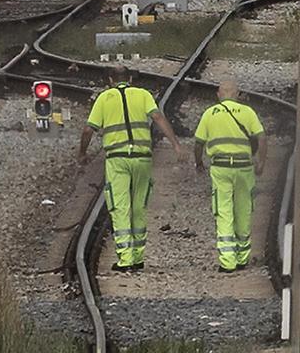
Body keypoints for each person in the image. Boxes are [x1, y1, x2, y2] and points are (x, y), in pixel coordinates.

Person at [77, 65, 185, 273]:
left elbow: (88, 129)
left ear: (110, 80)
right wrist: (176, 144)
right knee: (138, 205)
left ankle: (125, 259)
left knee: (120, 207)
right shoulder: (143, 95)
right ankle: (138, 256)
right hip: (142, 157)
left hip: (117, 159)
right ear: (131, 80)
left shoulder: (104, 98)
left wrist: (82, 152)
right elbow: (158, 117)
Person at [194, 80, 267, 273]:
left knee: (224, 211)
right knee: (244, 209)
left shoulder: (210, 114)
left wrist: (199, 162)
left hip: (221, 168)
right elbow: (261, 137)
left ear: (218, 94)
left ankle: (227, 262)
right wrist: (261, 162)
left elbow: (198, 143)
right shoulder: (247, 112)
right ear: (238, 94)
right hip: (244, 168)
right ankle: (243, 257)